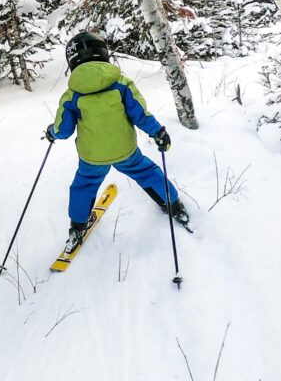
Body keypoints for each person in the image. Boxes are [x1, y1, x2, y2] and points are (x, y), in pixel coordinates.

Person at [46, 31, 189, 253]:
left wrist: (51, 133)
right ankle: (172, 203)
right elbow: (140, 114)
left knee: (83, 184)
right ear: (103, 53)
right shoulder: (121, 84)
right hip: (125, 151)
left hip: (92, 156)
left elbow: (63, 130)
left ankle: (78, 225)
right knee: (147, 172)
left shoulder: (72, 95)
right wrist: (157, 132)